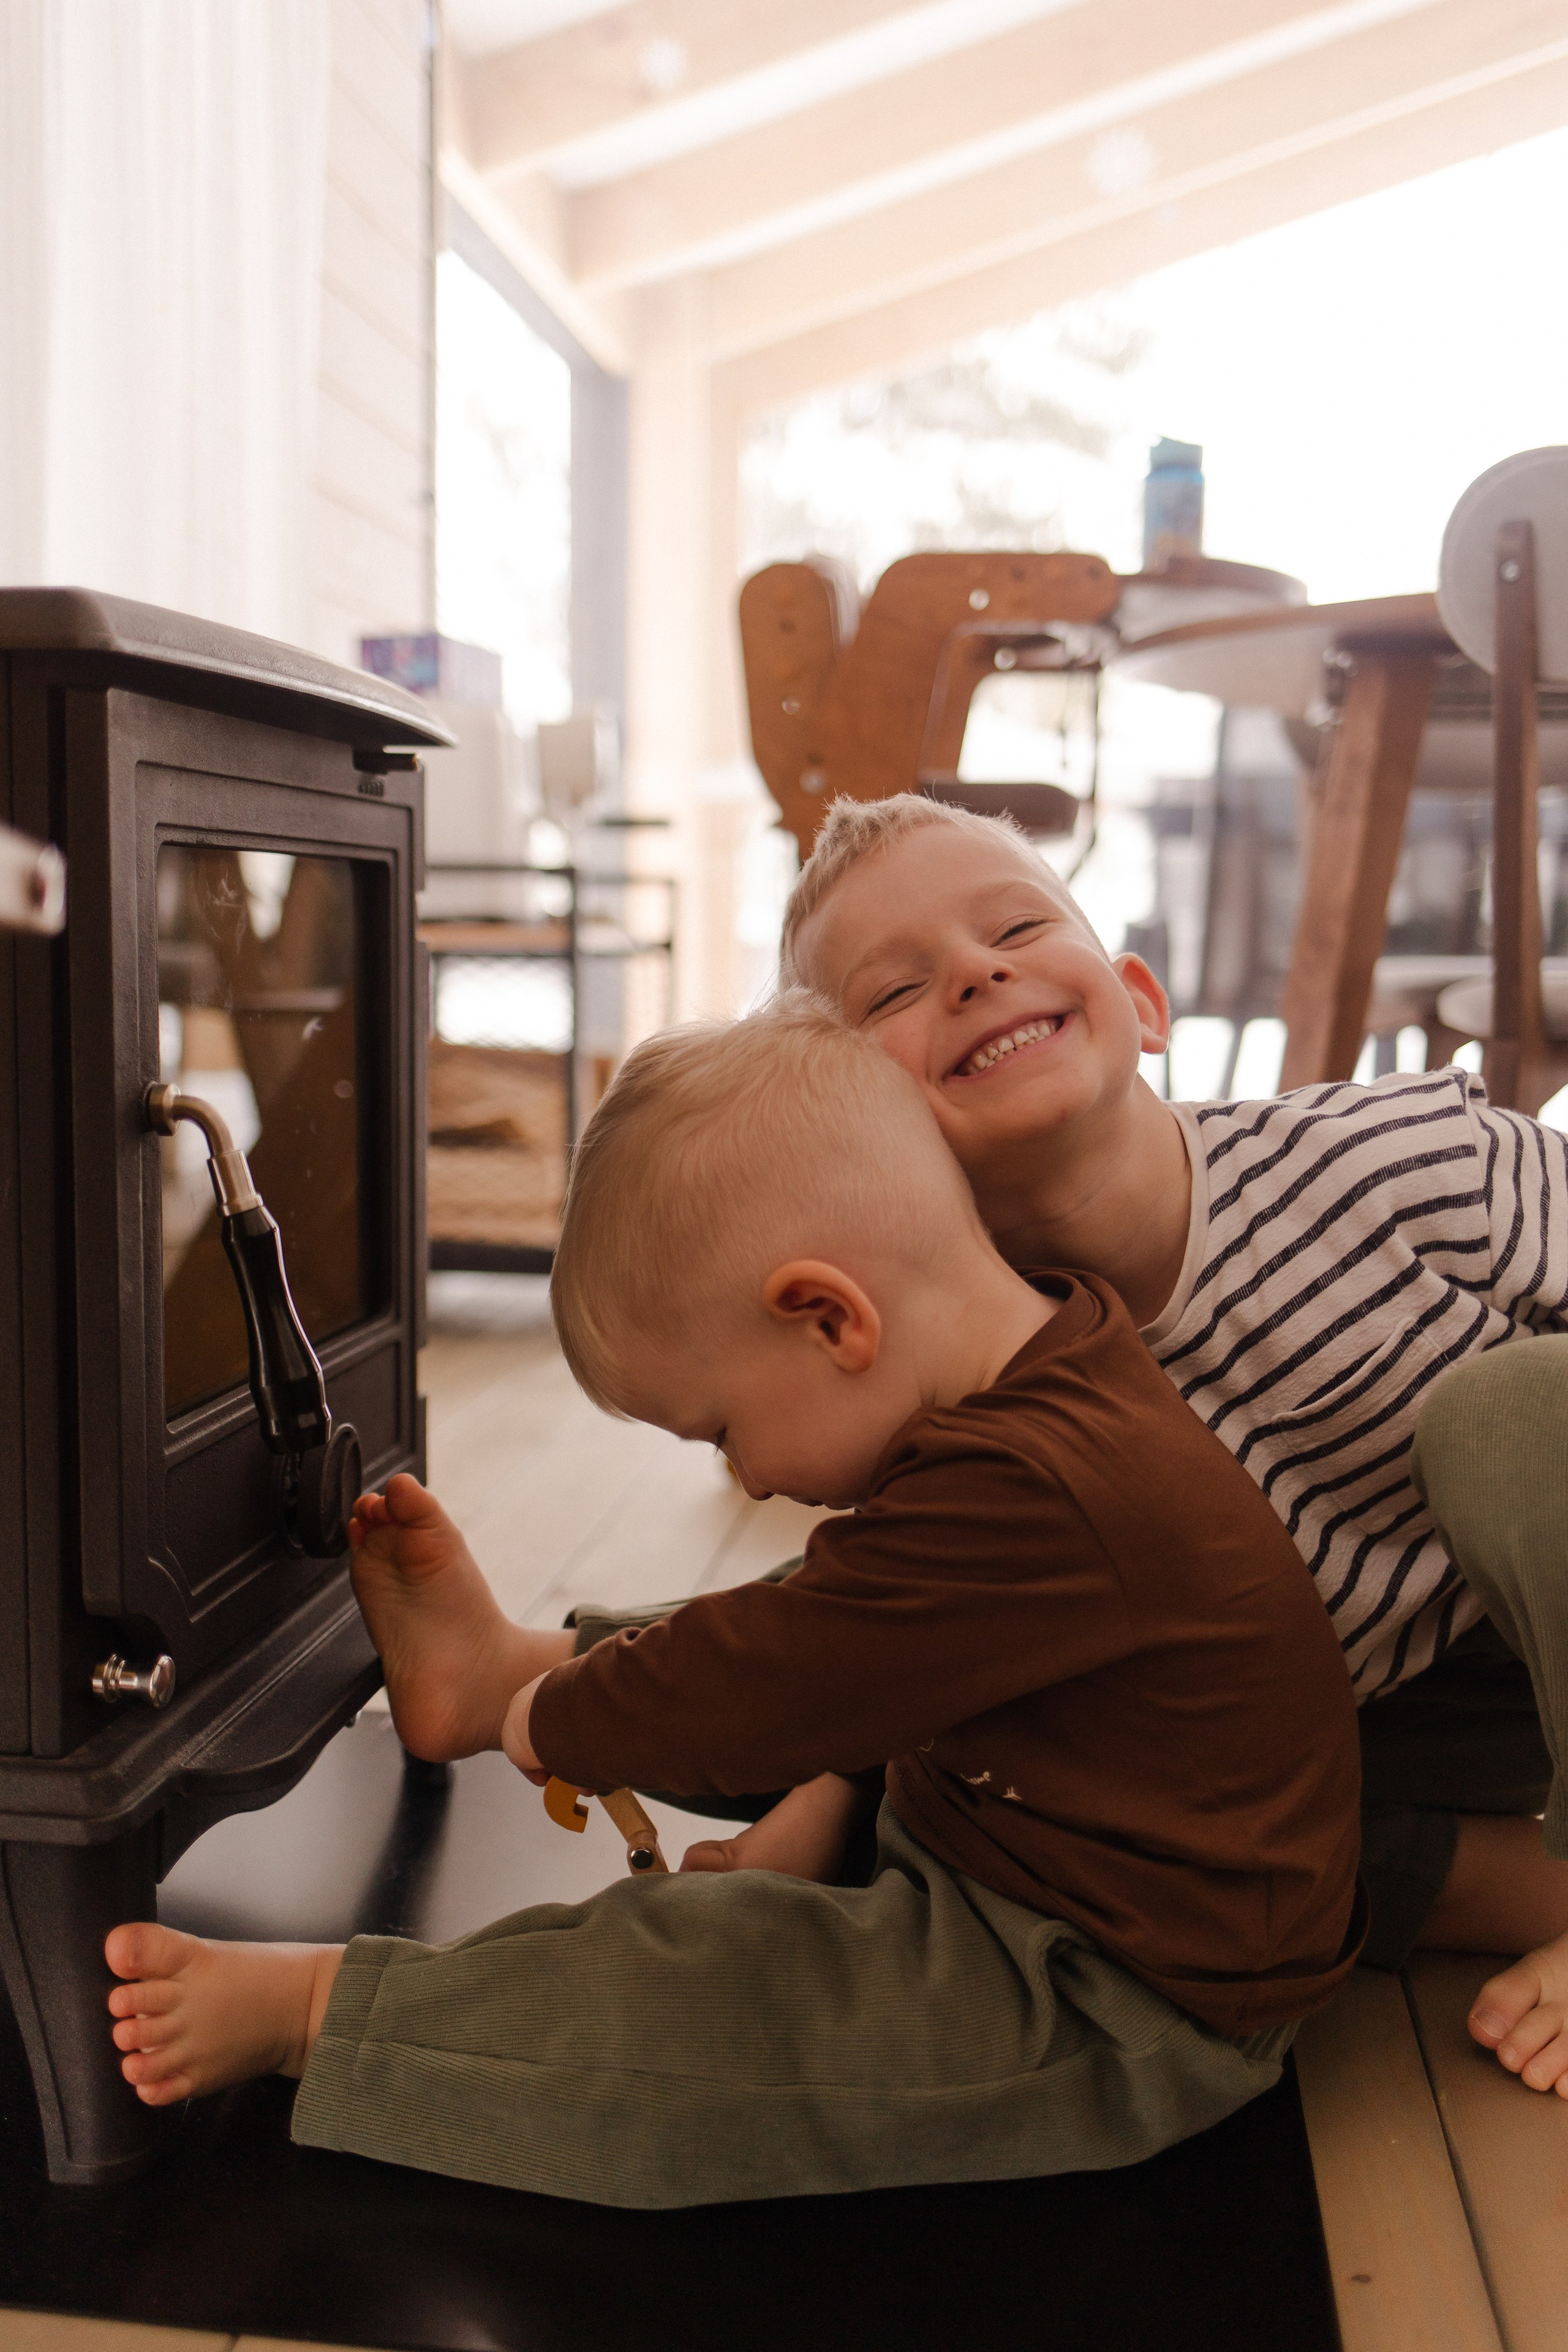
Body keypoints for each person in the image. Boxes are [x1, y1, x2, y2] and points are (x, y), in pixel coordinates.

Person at [103, 998, 1363, 2208]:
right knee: (811, 1609)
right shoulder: (1048, 1379)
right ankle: (503, 1671)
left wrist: (564, 1727)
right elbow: (871, 1661)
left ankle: (321, 2015)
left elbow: (780, 1685)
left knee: (717, 2001)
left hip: (1113, 1992)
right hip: (1017, 1831)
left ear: (827, 1319)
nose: (747, 1476)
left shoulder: (1047, 1489)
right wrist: (836, 1804)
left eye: (720, 1429)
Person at [755, 791, 1568, 2100]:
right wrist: (840, 1789)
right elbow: (947, 1642)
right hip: (1374, 1721)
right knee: (1133, 1839)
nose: (973, 973)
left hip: (1538, 1611)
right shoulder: (966, 1397)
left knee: (1515, 1416)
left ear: (1140, 1002)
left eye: (1016, 928)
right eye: (895, 990)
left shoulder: (1409, 1159)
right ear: (866, 1135)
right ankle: (1530, 1888)